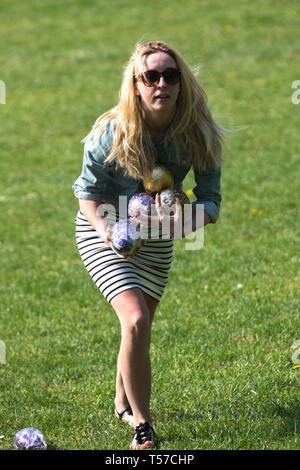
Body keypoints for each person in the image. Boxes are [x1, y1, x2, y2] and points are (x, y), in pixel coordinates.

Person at [72, 40, 224, 450]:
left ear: (181, 82)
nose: (162, 84)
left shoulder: (197, 132)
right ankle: (143, 424)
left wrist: (186, 221)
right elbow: (87, 194)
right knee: (136, 318)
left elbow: (210, 198)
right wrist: (111, 234)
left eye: (170, 75)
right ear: (136, 85)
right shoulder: (112, 131)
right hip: (105, 229)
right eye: (151, 76)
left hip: (158, 235)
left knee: (138, 328)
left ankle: (123, 403)